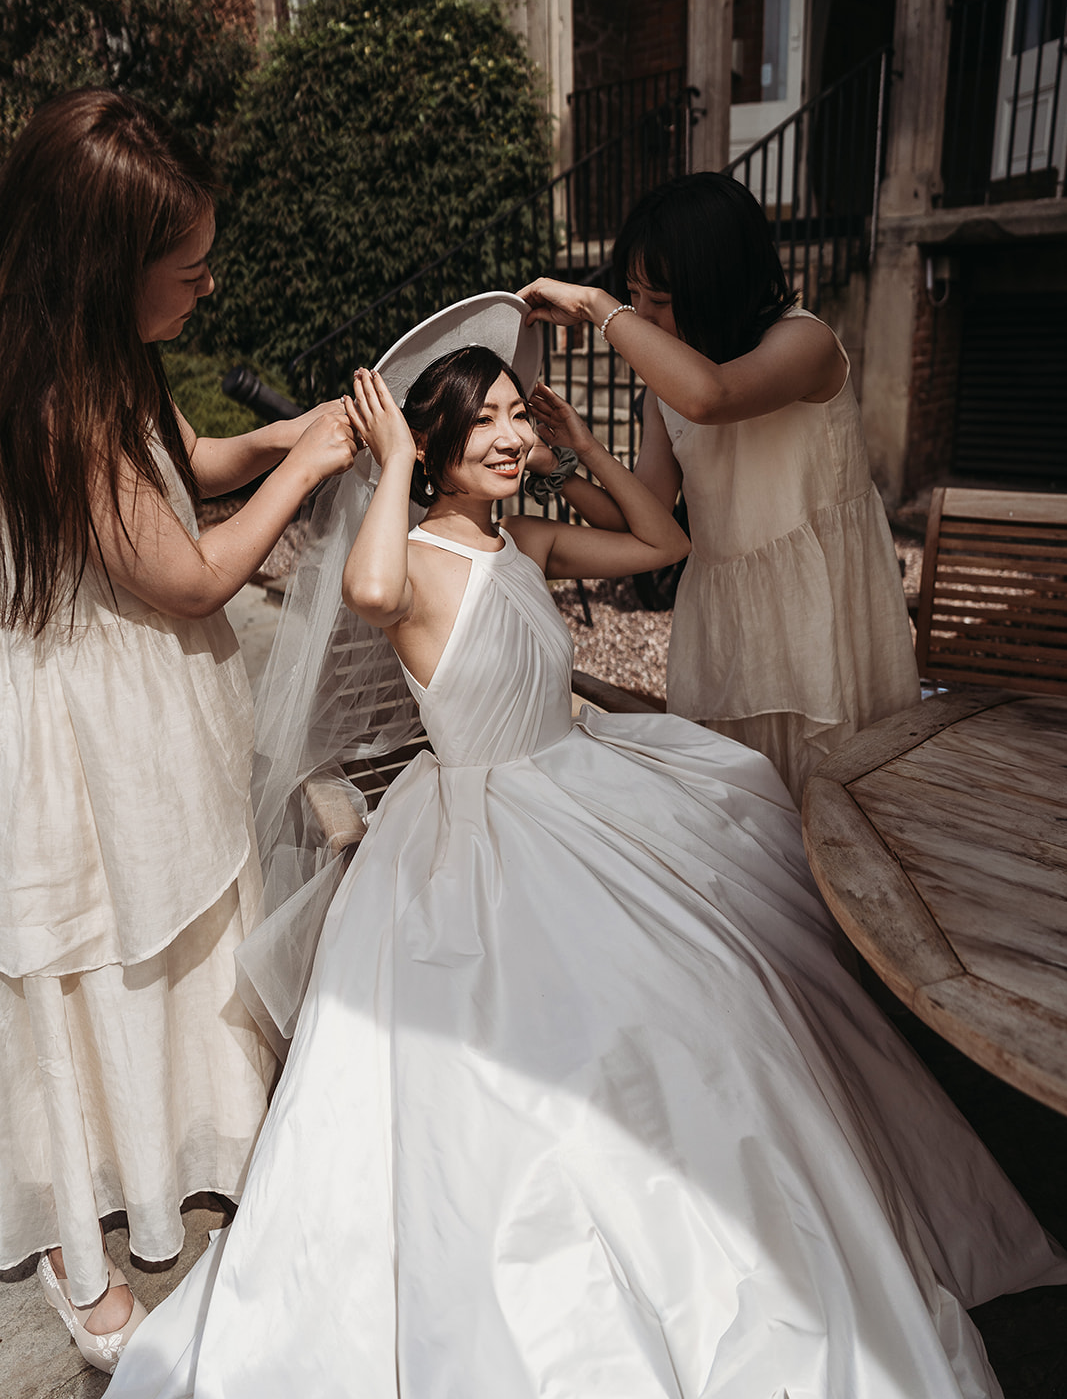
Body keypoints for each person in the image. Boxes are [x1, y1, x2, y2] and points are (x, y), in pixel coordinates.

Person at [107, 300, 1065, 1399]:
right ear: (434, 445)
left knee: (726, 987)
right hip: (481, 833)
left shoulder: (524, 537)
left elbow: (664, 541)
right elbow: (369, 590)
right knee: (572, 1048)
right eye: (489, 424)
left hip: (588, 785)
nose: (512, 437)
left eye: (519, 415)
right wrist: (394, 463)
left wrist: (580, 447)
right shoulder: (408, 558)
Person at [0, 89, 360, 1372]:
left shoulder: (102, 359)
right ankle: (72, 1230)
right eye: (189, 269)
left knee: (187, 921)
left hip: (148, 703)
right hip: (91, 725)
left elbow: (177, 456)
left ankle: (196, 1137)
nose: (209, 288)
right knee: (106, 945)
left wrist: (265, 439)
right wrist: (310, 473)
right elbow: (190, 576)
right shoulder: (52, 400)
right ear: (107, 270)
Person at [519, 171, 920, 804]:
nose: (643, 317)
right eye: (631, 295)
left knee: (839, 810)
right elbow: (642, 522)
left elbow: (715, 396)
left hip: (820, 607)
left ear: (720, 282)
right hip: (723, 622)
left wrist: (600, 306)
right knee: (739, 815)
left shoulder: (806, 340)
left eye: (660, 299)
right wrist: (566, 461)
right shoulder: (665, 394)